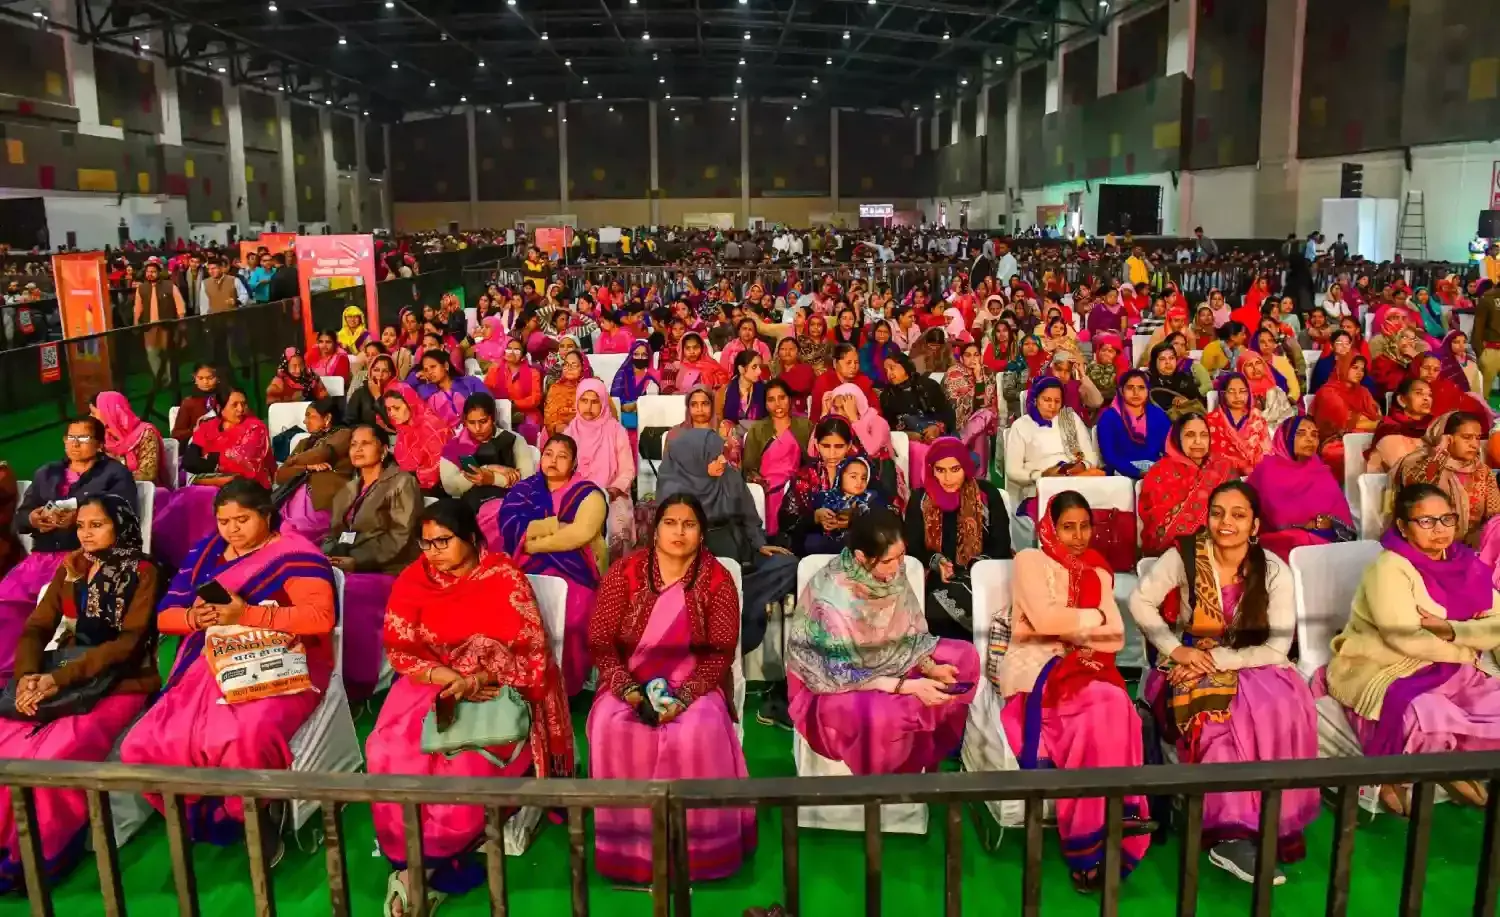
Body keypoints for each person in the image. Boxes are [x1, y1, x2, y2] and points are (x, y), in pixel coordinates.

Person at [368, 499, 574, 915]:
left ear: (471, 538)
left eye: (444, 541)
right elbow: (400, 647)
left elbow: (532, 654)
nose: (434, 552)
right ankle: (415, 865)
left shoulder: (502, 577)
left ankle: (420, 872)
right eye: (426, 543)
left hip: (497, 690)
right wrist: (446, 676)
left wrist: (477, 679)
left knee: (461, 766)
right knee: (387, 750)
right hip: (433, 684)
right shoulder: (413, 580)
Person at [119, 480, 335, 850]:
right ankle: (205, 814)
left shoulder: (295, 554)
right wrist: (193, 618)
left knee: (242, 737)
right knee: (143, 743)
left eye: (242, 520)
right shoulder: (207, 552)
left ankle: (256, 817)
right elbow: (165, 616)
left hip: (282, 661)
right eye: (224, 521)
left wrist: (244, 614)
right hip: (207, 663)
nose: (232, 530)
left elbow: (319, 619)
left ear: (266, 515)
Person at [1128, 481, 1319, 883]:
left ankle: (1268, 822)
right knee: (1217, 717)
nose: (1225, 522)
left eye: (1238, 514)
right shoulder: (1186, 556)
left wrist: (1216, 660)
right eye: (1217, 513)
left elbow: (1277, 647)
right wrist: (1175, 650)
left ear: (1255, 525)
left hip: (1251, 662)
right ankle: (1230, 835)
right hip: (1188, 661)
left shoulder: (1273, 569)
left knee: (1283, 704)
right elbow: (1140, 602)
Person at [588, 495, 757, 883]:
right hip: (628, 678)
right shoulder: (625, 572)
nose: (679, 532)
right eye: (670, 523)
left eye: (689, 524)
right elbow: (600, 642)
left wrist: (682, 699)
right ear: (655, 529)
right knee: (611, 725)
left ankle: (700, 854)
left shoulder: (717, 580)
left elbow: (720, 653)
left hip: (695, 682)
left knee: (698, 729)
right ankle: (629, 853)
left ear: (702, 533)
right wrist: (630, 692)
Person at [990, 491, 1150, 891]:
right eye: (1067, 527)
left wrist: (1065, 625)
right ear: (1050, 527)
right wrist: (1094, 617)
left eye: (1084, 527)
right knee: (1102, 706)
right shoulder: (1030, 561)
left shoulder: (1098, 571)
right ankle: (1088, 843)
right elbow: (1044, 621)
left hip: (1089, 669)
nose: (1077, 537)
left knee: (1115, 704)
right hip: (1036, 668)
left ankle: (1115, 826)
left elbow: (1115, 637)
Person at [0, 495, 160, 891]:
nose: (86, 534)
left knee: (53, 756)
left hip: (121, 681)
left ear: (120, 527)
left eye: (97, 525)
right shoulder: (72, 567)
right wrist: (27, 675)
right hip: (62, 675)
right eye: (82, 525)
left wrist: (58, 679)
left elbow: (127, 645)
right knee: (7, 745)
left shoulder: (143, 572)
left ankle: (39, 856)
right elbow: (37, 628)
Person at [1326, 483, 1500, 814]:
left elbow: (1498, 623)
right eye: (1426, 521)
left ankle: (1452, 761)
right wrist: (1468, 645)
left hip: (1453, 669)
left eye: (1447, 519)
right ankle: (1443, 766)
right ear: (1403, 527)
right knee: (1424, 713)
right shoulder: (1389, 568)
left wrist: (1451, 630)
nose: (1440, 529)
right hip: (1384, 666)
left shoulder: (1465, 563)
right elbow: (1404, 638)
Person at [787, 508, 979, 776]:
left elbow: (910, 629)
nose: (898, 566)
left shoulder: (891, 573)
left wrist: (929, 667)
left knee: (965, 656)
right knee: (882, 715)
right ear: (861, 557)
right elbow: (841, 673)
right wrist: (909, 687)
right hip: (834, 684)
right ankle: (883, 787)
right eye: (889, 560)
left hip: (892, 660)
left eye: (902, 555)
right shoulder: (833, 597)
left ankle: (919, 721)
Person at [654, 429, 796, 661]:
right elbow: (672, 539)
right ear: (694, 459)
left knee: (787, 565)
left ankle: (743, 605)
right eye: (714, 456)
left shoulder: (729, 476)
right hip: (696, 559)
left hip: (739, 550)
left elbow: (748, 516)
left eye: (722, 454)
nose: (722, 460)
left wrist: (759, 543)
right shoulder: (673, 489)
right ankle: (728, 611)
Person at [494, 435, 607, 695]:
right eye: (548, 454)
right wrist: (555, 524)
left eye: (562, 456)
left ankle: (565, 687)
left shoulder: (588, 494)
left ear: (574, 463)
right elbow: (510, 526)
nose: (553, 461)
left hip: (575, 566)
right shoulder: (524, 490)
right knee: (508, 608)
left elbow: (579, 534)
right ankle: (523, 682)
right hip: (526, 563)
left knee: (575, 617)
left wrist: (533, 543)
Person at [320, 424, 420, 701]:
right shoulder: (349, 488)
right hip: (348, 563)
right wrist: (327, 556)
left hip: (388, 567)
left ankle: (359, 682)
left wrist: (356, 562)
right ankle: (322, 674)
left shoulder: (402, 482)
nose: (358, 449)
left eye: (365, 443)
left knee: (350, 592)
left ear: (384, 449)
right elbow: (334, 533)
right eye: (353, 444)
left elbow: (400, 537)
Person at [903, 437, 1012, 639]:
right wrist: (937, 562)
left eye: (955, 469)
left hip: (982, 575)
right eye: (940, 470)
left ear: (965, 467)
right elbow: (913, 547)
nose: (948, 478)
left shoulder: (986, 495)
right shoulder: (920, 499)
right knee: (936, 607)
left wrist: (976, 568)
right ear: (931, 469)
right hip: (938, 579)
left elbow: (1002, 544)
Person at [1245, 417, 1356, 561]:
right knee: (1300, 539)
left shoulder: (1320, 470)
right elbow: (1272, 517)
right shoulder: (1267, 470)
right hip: (1278, 541)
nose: (1310, 439)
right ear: (1286, 437)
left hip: (1324, 537)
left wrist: (1328, 522)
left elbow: (1341, 515)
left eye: (1314, 435)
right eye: (1301, 433)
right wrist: (1306, 525)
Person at [1390, 412, 1500, 547]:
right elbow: (1416, 494)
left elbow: (1494, 515)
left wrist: (1481, 532)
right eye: (1467, 437)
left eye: (1477, 438)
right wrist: (1440, 453)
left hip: (1470, 546)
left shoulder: (1483, 471)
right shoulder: (1418, 462)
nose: (1475, 445)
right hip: (1424, 543)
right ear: (1446, 438)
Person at [1138, 413, 1237, 556]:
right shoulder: (1161, 472)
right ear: (1177, 439)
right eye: (1190, 435)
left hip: (1225, 544)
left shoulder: (1222, 467)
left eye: (1204, 435)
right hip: (1177, 552)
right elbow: (1159, 527)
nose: (1198, 441)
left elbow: (1239, 507)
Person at [1005, 377, 1103, 520]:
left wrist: (1082, 465)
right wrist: (1042, 475)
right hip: (1040, 486)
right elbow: (1012, 470)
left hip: (1075, 480)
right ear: (1036, 399)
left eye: (1057, 401)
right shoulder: (1021, 426)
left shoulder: (1070, 418)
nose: (1052, 405)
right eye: (1047, 400)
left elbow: (1091, 456)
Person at [562, 378, 637, 562]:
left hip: (612, 494)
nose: (588, 407)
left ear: (603, 403)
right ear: (577, 401)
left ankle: (616, 572)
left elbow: (627, 470)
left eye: (595, 402)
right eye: (584, 400)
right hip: (576, 494)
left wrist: (612, 491)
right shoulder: (570, 432)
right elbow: (562, 471)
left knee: (617, 529)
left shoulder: (616, 430)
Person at [274, 399, 354, 542]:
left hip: (324, 504)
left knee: (293, 534)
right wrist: (307, 468)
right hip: (293, 502)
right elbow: (280, 476)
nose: (305, 421)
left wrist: (291, 462)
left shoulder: (343, 435)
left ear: (327, 418)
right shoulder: (304, 443)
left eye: (309, 416)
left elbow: (322, 454)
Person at [741, 380, 813, 537]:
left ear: (790, 399)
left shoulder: (804, 427)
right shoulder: (757, 429)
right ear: (765, 404)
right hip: (765, 488)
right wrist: (757, 479)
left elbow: (812, 462)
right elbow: (748, 466)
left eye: (782, 398)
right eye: (771, 400)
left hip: (794, 487)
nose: (777, 404)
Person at [439, 392, 530, 512]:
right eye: (471, 423)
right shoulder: (455, 446)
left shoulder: (513, 440)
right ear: (464, 421)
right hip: (470, 510)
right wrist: (489, 468)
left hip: (511, 505)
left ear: (493, 418)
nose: (477, 429)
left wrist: (492, 478)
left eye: (483, 421)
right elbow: (451, 487)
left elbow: (528, 480)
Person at [1311, 355, 1382, 473]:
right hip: (1335, 440)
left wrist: (1368, 422)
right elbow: (1346, 423)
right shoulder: (1328, 392)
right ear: (1343, 368)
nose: (1359, 372)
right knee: (1343, 453)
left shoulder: (1363, 391)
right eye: (1355, 367)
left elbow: (1376, 417)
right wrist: (1372, 422)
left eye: (1362, 369)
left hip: (1366, 437)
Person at [1095, 369, 1170, 479]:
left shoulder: (1157, 414)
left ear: (1147, 391)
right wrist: (1137, 473)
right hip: (1120, 474)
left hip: (1156, 472)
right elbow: (1109, 456)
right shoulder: (1109, 417)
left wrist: (1159, 469)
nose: (1136, 393)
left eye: (1141, 388)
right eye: (1130, 388)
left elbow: (1169, 448)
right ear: (1121, 391)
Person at [942, 341, 1003, 474]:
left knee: (985, 416)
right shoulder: (953, 374)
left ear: (980, 357)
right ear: (961, 358)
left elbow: (989, 403)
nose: (973, 359)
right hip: (959, 422)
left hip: (982, 420)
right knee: (980, 429)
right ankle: (980, 478)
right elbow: (953, 404)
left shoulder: (988, 372)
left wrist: (979, 377)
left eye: (976, 355)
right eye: (968, 355)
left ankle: (961, 441)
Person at [90, 390, 166, 486]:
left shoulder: (145, 433)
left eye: (93, 413)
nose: (91, 416)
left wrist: (114, 475)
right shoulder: (102, 437)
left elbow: (148, 474)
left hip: (144, 490)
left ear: (108, 412)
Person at [1203, 372, 1272, 476]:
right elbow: (1212, 456)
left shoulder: (1257, 418)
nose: (1237, 396)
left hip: (1256, 475)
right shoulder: (1212, 420)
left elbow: (1267, 450)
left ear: (1248, 393)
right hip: (1224, 476)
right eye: (1231, 392)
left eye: (1242, 391)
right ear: (1223, 394)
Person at [1366, 378, 1433, 474]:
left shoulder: (1431, 429)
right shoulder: (1389, 429)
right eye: (1419, 393)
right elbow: (1407, 472)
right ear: (1401, 400)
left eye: (1429, 395)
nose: (1426, 398)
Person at [484, 337, 544, 444]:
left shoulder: (533, 373)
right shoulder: (495, 369)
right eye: (509, 348)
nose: (511, 352)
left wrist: (514, 404)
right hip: (499, 412)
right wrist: (504, 406)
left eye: (516, 350)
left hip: (526, 413)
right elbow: (487, 391)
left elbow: (535, 399)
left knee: (527, 431)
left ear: (523, 356)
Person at [810, 344, 878, 423]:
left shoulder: (863, 381)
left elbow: (876, 411)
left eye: (856, 362)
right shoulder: (823, 381)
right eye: (848, 362)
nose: (853, 366)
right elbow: (815, 418)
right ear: (835, 363)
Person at [1144, 341, 1207, 421]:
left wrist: (1187, 402)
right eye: (1162, 359)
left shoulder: (1184, 378)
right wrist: (1172, 401)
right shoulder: (1147, 380)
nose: (1168, 362)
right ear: (1154, 362)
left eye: (1171, 358)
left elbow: (1200, 401)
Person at [170, 363, 226, 447]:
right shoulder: (189, 403)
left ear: (218, 378)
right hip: (198, 446)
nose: (205, 382)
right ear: (195, 378)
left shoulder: (226, 397)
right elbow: (176, 434)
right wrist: (195, 431)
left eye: (210, 378)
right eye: (200, 378)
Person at [346, 353, 398, 430]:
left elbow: (393, 423)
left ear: (391, 374)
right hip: (362, 433)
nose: (380, 375)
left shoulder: (398, 391)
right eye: (376, 370)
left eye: (385, 371)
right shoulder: (360, 393)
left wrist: (377, 396)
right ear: (370, 371)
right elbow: (349, 421)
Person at [770, 336, 815, 416]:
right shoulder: (775, 371)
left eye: (791, 349)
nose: (787, 352)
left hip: (801, 412)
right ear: (778, 352)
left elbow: (803, 387)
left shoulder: (806, 369)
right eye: (783, 349)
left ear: (798, 352)